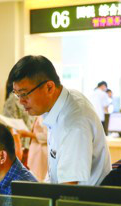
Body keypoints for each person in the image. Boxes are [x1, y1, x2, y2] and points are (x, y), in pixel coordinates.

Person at [8, 55, 111, 185]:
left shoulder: (74, 123)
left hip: (85, 202)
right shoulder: (62, 101)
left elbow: (68, 189)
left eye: (24, 94)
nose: (21, 101)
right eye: (17, 94)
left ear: (49, 87)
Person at [17, 116, 48, 181]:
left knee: (38, 179)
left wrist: (29, 134)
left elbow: (47, 136)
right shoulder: (37, 116)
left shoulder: (44, 117)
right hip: (35, 152)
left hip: (41, 154)